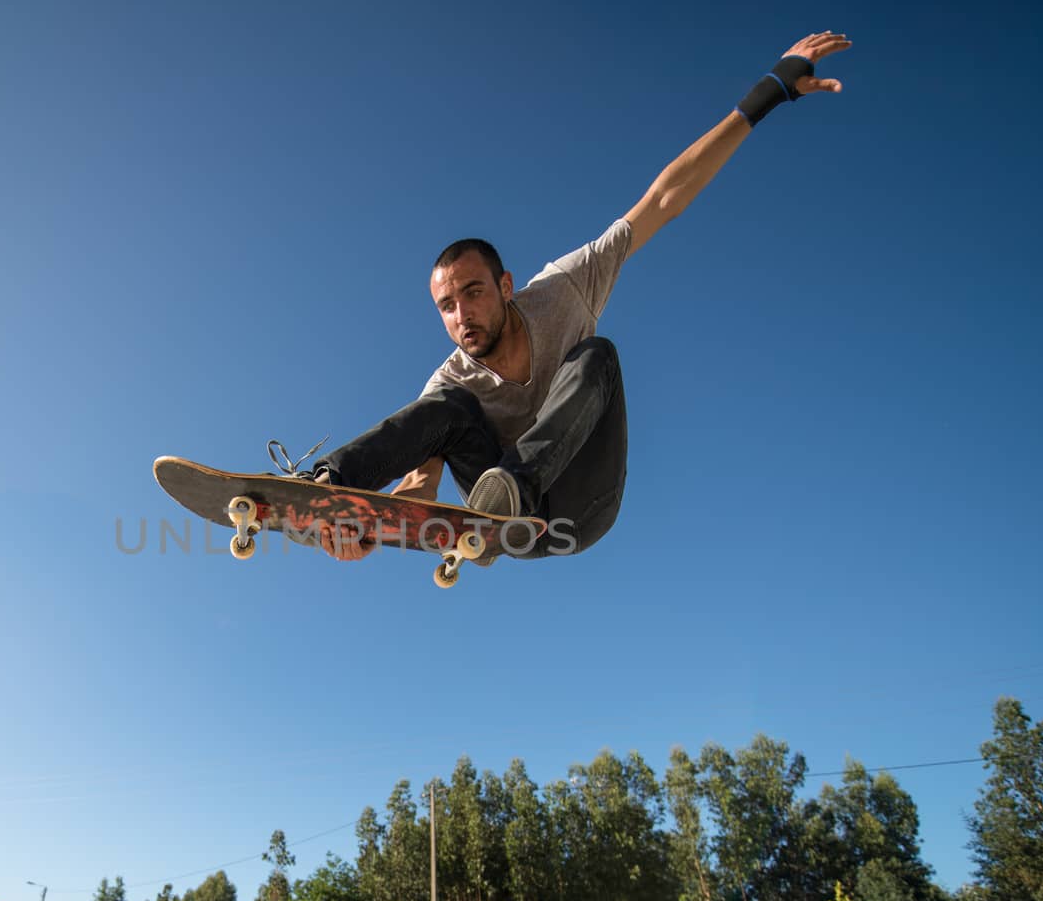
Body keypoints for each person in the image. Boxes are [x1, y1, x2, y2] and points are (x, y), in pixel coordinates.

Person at [291, 31, 850, 562]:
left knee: (596, 356)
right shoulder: (450, 385)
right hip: (512, 530)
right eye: (447, 306)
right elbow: (421, 485)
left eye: (474, 293)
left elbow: (663, 199)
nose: (463, 316)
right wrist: (370, 527)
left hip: (582, 509)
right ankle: (323, 485)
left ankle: (512, 488)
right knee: (443, 410)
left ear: (506, 287)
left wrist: (766, 95)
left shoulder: (564, 289)